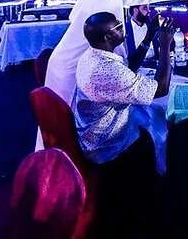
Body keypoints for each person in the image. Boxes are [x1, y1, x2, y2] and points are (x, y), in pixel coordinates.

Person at [44, 0, 188, 106]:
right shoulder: (101, 3)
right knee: (64, 121)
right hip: (69, 68)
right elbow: (112, 43)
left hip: (84, 66)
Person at [71, 12, 173, 236]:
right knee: (160, 136)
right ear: (108, 36)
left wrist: (149, 36)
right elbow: (162, 88)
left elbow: (129, 68)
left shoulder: (94, 55)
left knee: (150, 122)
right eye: (118, 27)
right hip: (107, 144)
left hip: (94, 131)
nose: (122, 28)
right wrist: (165, 46)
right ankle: (150, 212)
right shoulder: (106, 71)